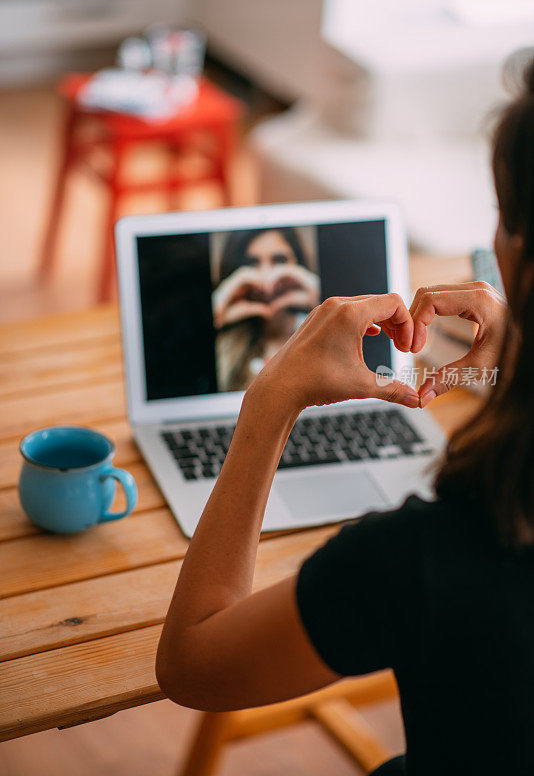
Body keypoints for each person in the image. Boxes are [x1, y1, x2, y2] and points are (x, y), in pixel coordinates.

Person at [156, 53, 534, 775]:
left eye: (505, 231)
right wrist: (517, 347)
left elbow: (190, 663)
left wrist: (271, 399)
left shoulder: (427, 557)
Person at [212, 227, 320, 391]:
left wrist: (323, 302)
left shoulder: (318, 334)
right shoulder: (225, 344)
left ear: (299, 265)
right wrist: (215, 313)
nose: (267, 280)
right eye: (252, 263)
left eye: (280, 261)